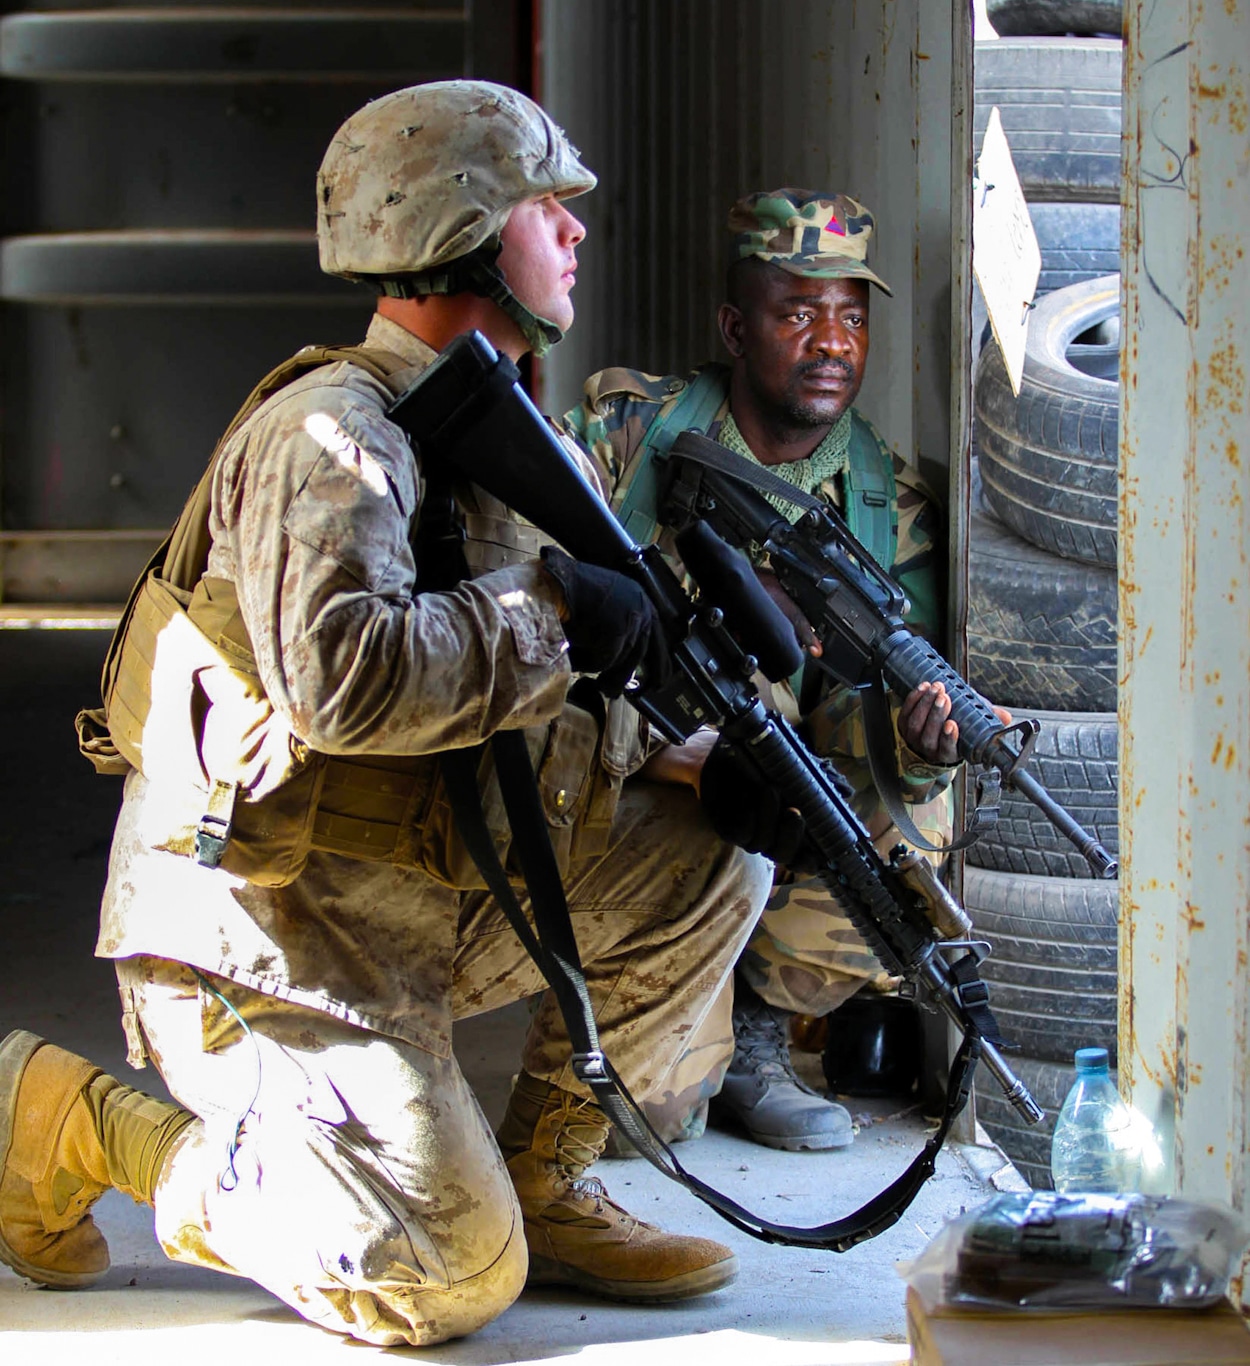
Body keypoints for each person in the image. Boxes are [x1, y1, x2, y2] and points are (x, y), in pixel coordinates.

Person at [0, 83, 773, 1347]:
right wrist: (553, 611)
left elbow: (538, 713)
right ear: (459, 223)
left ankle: (538, 1182)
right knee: (443, 1280)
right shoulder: (331, 434)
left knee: (709, 860)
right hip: (264, 930)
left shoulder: (522, 440)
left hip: (414, 888)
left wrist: (679, 757)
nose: (576, 231)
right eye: (545, 205)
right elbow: (343, 682)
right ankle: (73, 1121)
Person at [562, 188, 973, 1154]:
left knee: (909, 793)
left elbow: (869, 749)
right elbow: (531, 591)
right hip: (620, 785)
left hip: (756, 814)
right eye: (798, 313)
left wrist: (922, 754)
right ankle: (601, 980)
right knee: (633, 1129)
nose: (832, 342)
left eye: (852, 318)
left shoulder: (890, 510)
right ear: (734, 328)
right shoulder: (631, 437)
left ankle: (755, 1029)